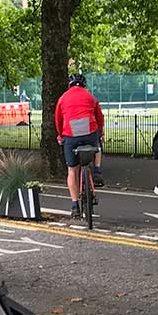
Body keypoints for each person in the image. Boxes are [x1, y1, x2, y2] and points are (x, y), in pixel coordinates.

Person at [55, 73, 105, 218]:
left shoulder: (63, 98)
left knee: (72, 170)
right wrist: (100, 132)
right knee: (98, 145)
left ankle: (75, 205)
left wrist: (60, 135)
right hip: (89, 131)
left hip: (71, 134)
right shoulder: (90, 96)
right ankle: (96, 171)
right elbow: (99, 117)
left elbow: (58, 119)